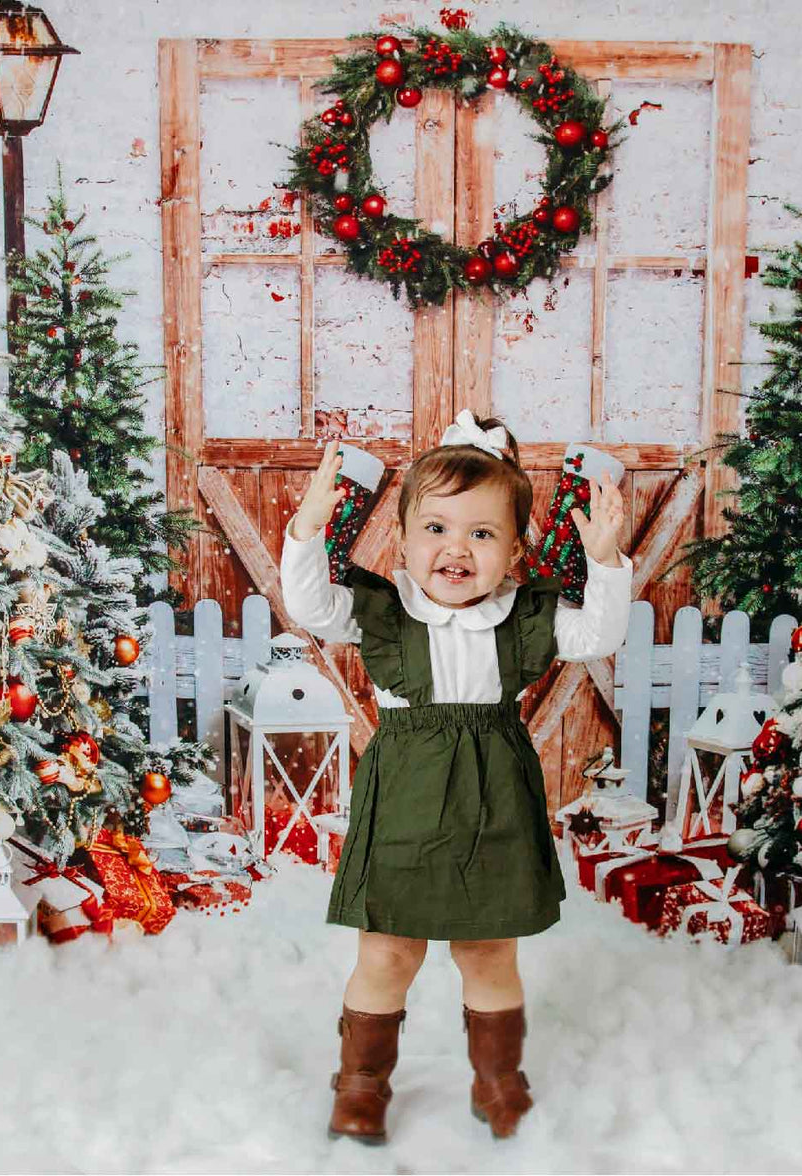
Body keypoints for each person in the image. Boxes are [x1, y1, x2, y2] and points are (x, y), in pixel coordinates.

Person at [279, 410, 632, 1144]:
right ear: (402, 541)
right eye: (435, 529)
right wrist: (308, 530)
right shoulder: (381, 608)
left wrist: (603, 560)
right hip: (405, 795)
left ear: (512, 552)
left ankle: (498, 1078)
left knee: (487, 947)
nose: (456, 549)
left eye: (482, 533)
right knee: (386, 948)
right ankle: (361, 1083)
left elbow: (598, 635)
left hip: (493, 795)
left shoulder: (524, 615)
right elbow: (310, 605)